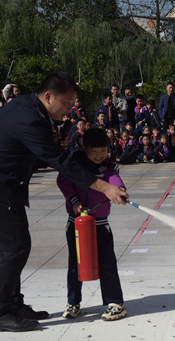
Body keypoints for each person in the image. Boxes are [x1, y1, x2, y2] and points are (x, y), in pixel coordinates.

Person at [0, 71, 129, 333]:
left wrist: (52, 143)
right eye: (66, 102)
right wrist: (104, 186)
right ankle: (0, 312)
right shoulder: (30, 117)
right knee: (15, 249)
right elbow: (59, 162)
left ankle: (14, 304)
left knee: (12, 249)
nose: (69, 108)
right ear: (49, 96)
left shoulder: (31, 108)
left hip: (4, 189)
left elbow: (37, 149)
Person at [57, 128, 128, 321]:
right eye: (94, 151)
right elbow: (63, 181)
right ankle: (73, 302)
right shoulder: (74, 163)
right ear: (84, 148)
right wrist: (74, 200)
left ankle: (115, 303)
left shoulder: (109, 166)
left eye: (103, 151)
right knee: (75, 263)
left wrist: (120, 190)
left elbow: (114, 179)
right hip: (76, 224)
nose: (99, 156)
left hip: (100, 224)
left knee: (107, 262)